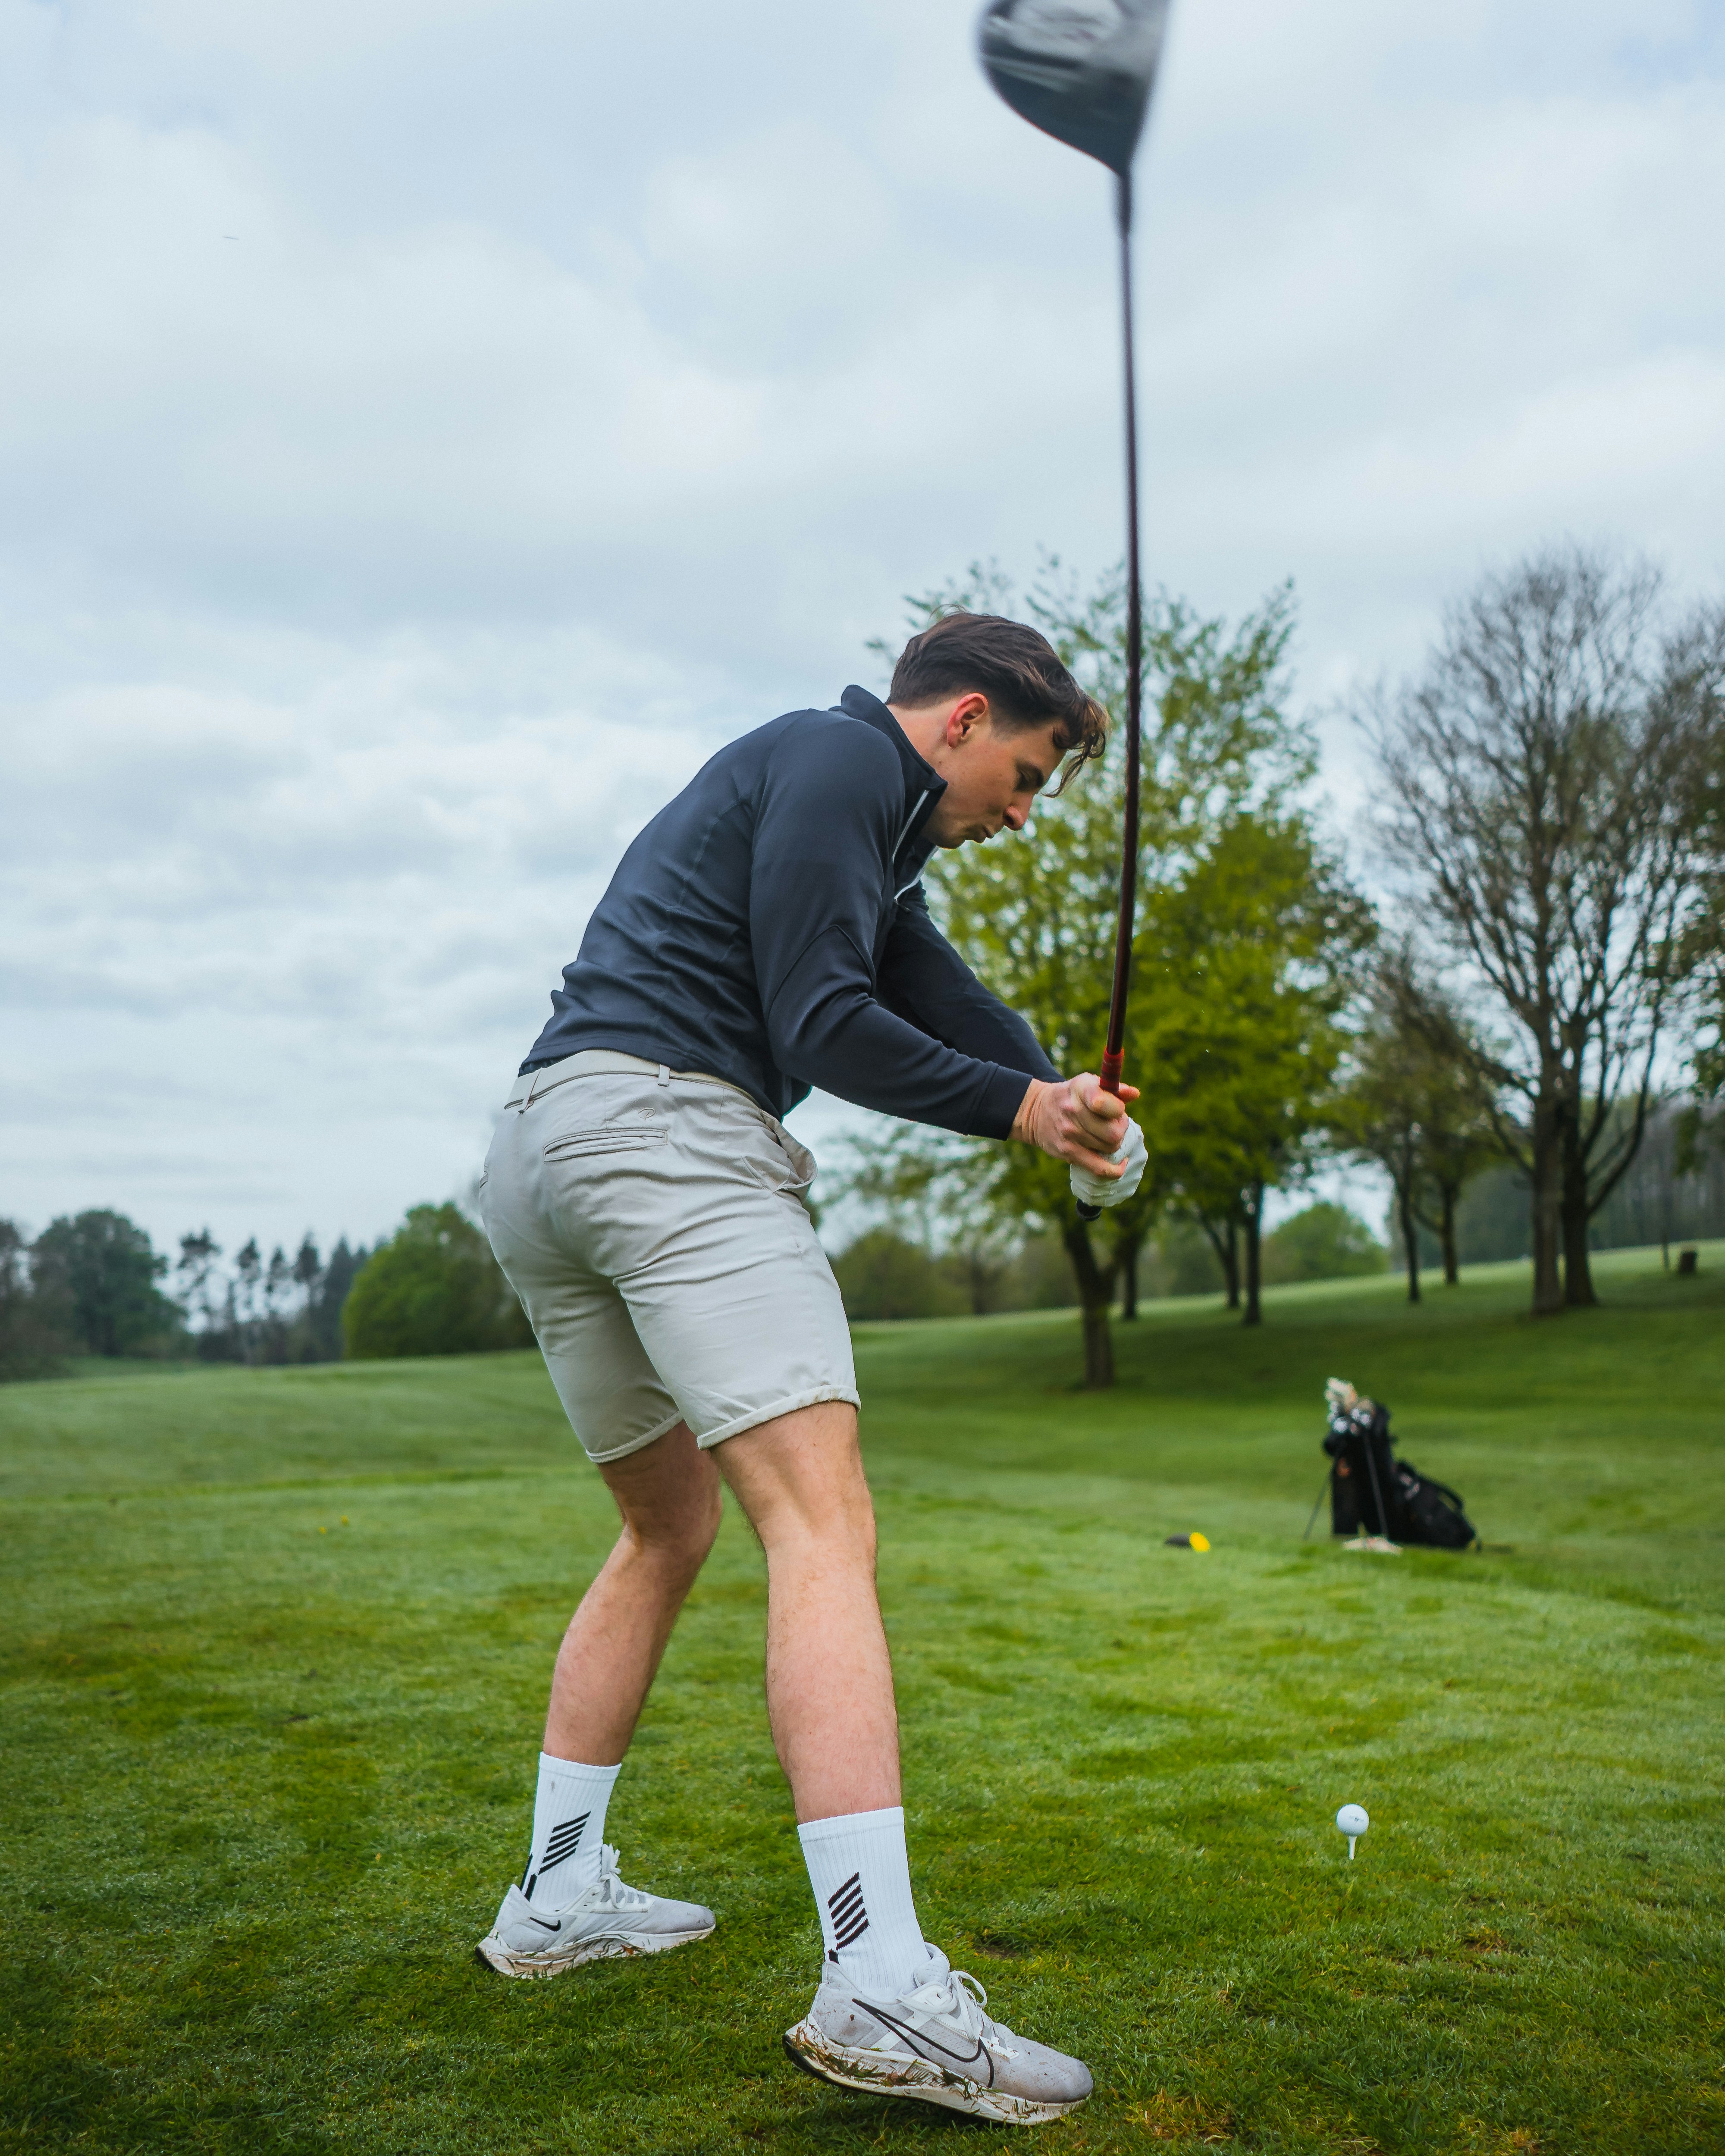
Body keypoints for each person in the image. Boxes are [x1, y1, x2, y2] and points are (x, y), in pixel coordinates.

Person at [474, 611, 1147, 2125]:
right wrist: (1026, 1118)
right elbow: (826, 1024)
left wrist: (1064, 1092)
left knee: (669, 1525)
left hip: (542, 1150)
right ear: (964, 719)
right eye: (1028, 775)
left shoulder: (846, 801)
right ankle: (878, 1986)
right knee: (821, 1524)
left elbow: (927, 983)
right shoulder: (850, 764)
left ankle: (557, 1893)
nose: (1023, 815)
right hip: (665, 1135)